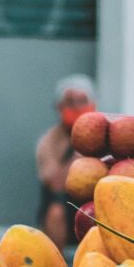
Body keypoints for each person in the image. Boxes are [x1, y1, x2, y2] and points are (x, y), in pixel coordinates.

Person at [36, 73, 98, 253]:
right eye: (70, 102)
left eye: (82, 101)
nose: (77, 107)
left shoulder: (103, 135)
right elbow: (54, 182)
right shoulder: (49, 141)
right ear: (60, 107)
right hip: (64, 206)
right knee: (56, 211)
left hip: (93, 202)